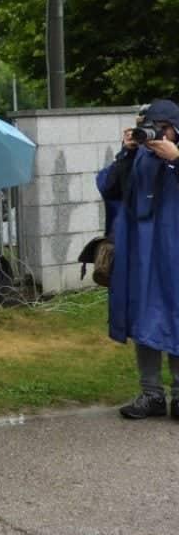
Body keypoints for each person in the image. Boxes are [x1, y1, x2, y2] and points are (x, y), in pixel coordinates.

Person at [98, 98, 179, 420]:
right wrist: (127, 152)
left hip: (173, 253)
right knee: (143, 317)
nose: (156, 135)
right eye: (151, 128)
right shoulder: (138, 156)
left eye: (162, 129)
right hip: (141, 253)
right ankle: (151, 394)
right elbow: (108, 187)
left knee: (174, 316)